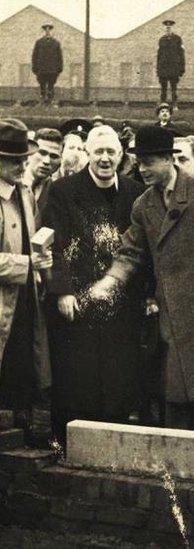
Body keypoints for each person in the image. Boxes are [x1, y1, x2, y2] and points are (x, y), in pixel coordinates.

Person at [90, 126, 194, 475]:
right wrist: (111, 280)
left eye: (150, 162)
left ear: (169, 159)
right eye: (139, 163)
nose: (143, 170)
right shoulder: (144, 205)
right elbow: (131, 251)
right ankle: (185, 464)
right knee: (180, 387)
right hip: (177, 314)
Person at [42, 125, 146, 447]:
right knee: (77, 377)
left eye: (110, 152)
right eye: (98, 151)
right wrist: (62, 290)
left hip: (119, 301)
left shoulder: (134, 193)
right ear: (87, 153)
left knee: (117, 376)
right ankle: (68, 446)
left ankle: (111, 446)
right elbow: (53, 244)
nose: (104, 159)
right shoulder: (63, 191)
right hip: (77, 300)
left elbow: (144, 246)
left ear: (121, 156)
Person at [0, 119, 53, 444]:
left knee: (20, 376)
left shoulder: (24, 193)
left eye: (24, 158)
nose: (23, 165)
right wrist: (27, 263)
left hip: (22, 304)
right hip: (4, 305)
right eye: (14, 159)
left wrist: (41, 262)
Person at [23, 128, 63, 215]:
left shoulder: (57, 192)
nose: (47, 161)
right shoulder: (12, 183)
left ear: (60, 161)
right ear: (30, 152)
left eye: (54, 156)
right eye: (42, 153)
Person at [31, 23, 63, 104]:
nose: (47, 32)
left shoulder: (56, 43)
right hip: (42, 69)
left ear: (51, 31)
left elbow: (60, 57)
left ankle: (50, 101)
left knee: (51, 86)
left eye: (49, 30)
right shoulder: (39, 43)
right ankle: (42, 100)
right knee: (42, 85)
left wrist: (59, 68)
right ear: (44, 31)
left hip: (52, 70)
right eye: (46, 30)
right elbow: (35, 56)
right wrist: (35, 68)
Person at [156, 20, 185, 105]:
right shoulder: (162, 40)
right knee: (163, 88)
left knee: (173, 88)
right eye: (166, 27)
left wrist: (181, 68)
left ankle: (174, 104)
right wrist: (158, 69)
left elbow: (181, 54)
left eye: (170, 27)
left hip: (174, 67)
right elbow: (159, 55)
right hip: (163, 68)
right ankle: (163, 103)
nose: (168, 29)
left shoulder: (177, 39)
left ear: (173, 28)